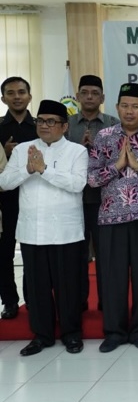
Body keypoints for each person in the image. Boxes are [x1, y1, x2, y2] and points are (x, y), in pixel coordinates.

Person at [0, 100, 88, 356]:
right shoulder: (23, 150)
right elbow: (4, 182)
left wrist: (44, 170)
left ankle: (71, 334)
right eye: (41, 121)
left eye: (51, 121)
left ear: (64, 126)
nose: (44, 126)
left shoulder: (76, 151)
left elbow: (77, 184)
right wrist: (28, 169)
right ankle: (42, 335)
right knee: (36, 287)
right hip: (33, 231)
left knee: (68, 286)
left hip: (65, 231)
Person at [88, 83, 138, 353]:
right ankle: (114, 331)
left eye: (135, 106)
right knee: (113, 277)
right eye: (124, 106)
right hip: (111, 218)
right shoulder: (104, 136)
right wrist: (117, 166)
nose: (129, 111)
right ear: (117, 107)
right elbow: (91, 178)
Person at [66, 74, 119, 312]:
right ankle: (79, 302)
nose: (89, 97)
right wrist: (79, 149)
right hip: (73, 201)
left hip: (105, 201)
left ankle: (107, 303)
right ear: (77, 96)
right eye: (85, 93)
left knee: (106, 255)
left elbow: (120, 160)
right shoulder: (66, 125)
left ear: (102, 98)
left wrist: (96, 149)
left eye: (95, 93)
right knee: (77, 254)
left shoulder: (113, 124)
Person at [0, 76, 38, 320]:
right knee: (4, 252)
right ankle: (10, 301)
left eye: (21, 92)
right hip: (6, 200)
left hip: (35, 198)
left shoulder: (41, 127)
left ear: (29, 96)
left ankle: (33, 299)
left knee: (33, 252)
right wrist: (5, 153)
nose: (17, 97)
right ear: (3, 98)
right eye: (11, 93)